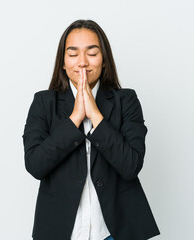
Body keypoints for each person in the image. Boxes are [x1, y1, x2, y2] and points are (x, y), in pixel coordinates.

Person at [22, 19, 160, 240]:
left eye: (92, 53)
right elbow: (36, 165)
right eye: (73, 54)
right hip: (60, 231)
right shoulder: (43, 103)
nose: (83, 62)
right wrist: (76, 117)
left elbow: (131, 165)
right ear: (63, 63)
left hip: (115, 231)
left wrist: (96, 115)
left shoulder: (127, 100)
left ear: (104, 60)